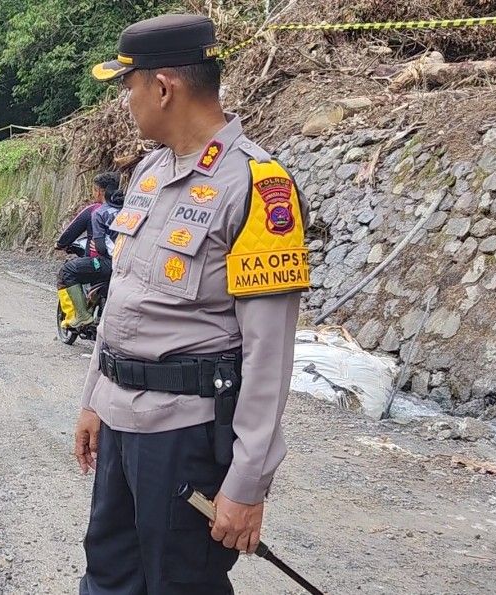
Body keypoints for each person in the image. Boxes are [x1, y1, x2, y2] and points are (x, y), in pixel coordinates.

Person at [75, 14, 310, 594]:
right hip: (121, 423)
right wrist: (93, 401)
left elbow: (269, 351)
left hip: (185, 438)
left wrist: (246, 482)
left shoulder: (258, 186)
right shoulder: (152, 172)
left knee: (180, 585)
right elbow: (126, 296)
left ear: (163, 88)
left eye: (129, 88)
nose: (126, 103)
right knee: (108, 576)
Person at [55, 172, 124, 329]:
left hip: (106, 262)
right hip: (129, 262)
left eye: (94, 190)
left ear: (100, 191)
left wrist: (60, 244)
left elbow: (71, 234)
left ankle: (81, 315)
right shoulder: (129, 209)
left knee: (68, 270)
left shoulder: (96, 211)